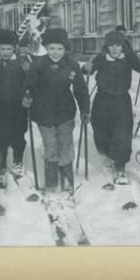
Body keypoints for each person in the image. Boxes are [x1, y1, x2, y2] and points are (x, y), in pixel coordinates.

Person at [22, 28, 89, 203]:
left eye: (59, 49)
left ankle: (67, 183)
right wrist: (27, 95)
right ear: (46, 48)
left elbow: (81, 90)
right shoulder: (38, 64)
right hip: (43, 113)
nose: (56, 52)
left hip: (65, 113)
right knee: (51, 146)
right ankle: (52, 185)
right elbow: (28, 85)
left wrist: (85, 110)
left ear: (65, 49)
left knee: (65, 146)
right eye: (52, 48)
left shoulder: (72, 65)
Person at [83, 31, 140, 184]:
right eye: (111, 45)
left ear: (122, 45)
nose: (115, 49)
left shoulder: (128, 58)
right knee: (101, 134)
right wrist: (86, 68)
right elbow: (88, 70)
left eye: (117, 45)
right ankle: (109, 154)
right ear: (107, 46)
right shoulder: (101, 59)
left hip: (122, 101)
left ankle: (120, 167)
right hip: (102, 101)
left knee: (122, 134)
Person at [0, 29, 29, 182]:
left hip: (19, 105)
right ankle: (0, 166)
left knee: (18, 136)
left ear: (14, 48)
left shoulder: (22, 63)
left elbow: (29, 83)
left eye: (9, 49)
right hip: (0, 105)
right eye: (2, 49)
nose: (6, 52)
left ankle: (17, 162)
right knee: (1, 136)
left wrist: (28, 96)